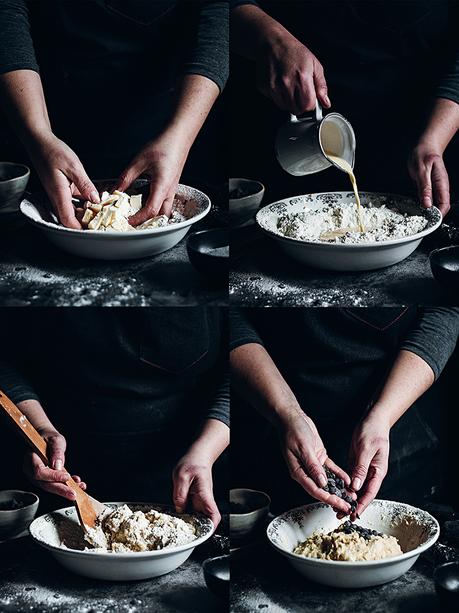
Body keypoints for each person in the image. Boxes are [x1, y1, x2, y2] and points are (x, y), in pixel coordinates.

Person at [0, 1, 228, 228]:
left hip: (168, 126)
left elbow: (217, 14)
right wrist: (38, 134)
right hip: (44, 118)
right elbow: (7, 10)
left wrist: (181, 136)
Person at [0, 308, 229, 527]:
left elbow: (232, 369)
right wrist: (39, 428)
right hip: (62, 486)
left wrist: (204, 454)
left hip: (187, 482)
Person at [230, 1, 459, 213]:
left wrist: (434, 141)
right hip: (278, 132)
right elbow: (213, 12)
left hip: (408, 152)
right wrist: (272, 39)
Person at [230, 308, 459, 517]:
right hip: (274, 429)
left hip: (401, 428)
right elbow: (232, 321)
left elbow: (445, 310)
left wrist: (382, 415)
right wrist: (288, 413)